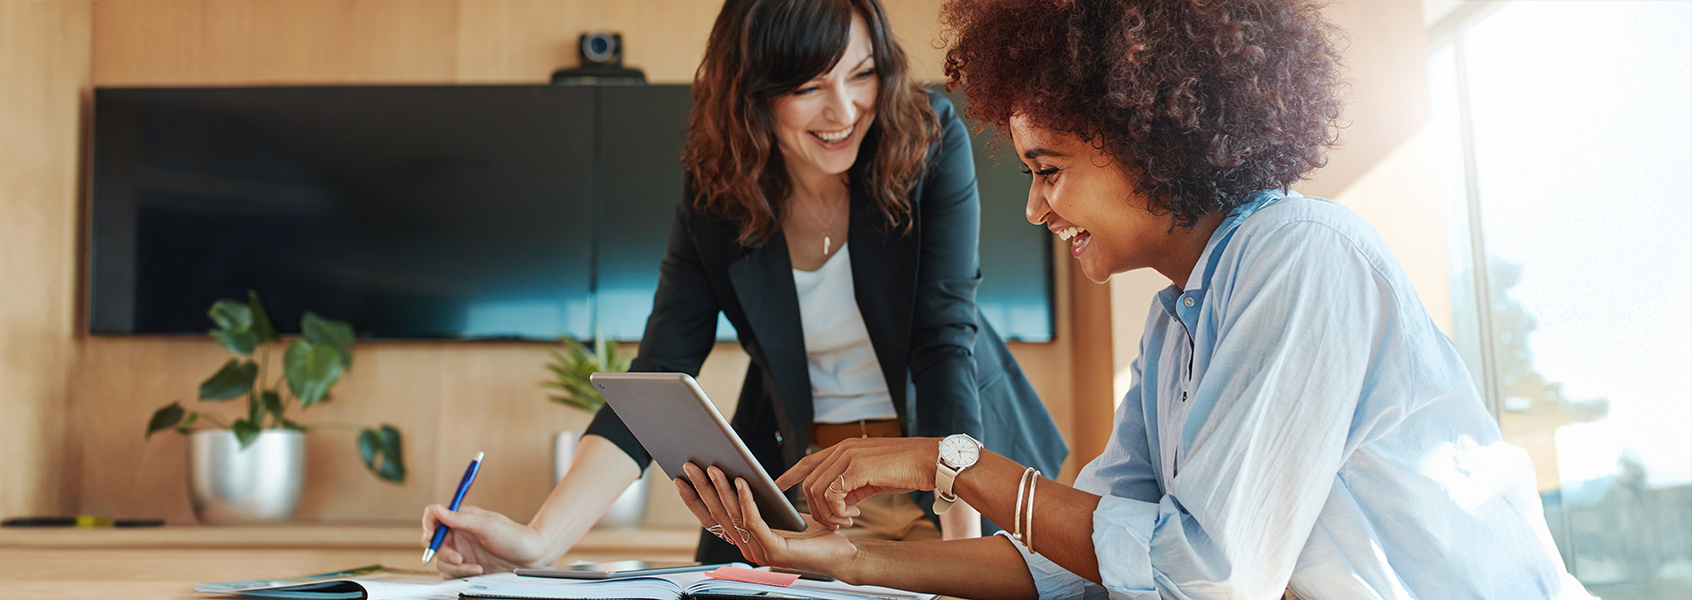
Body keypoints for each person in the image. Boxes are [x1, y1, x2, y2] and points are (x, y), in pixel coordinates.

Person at [673, 0, 1595, 598]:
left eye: (1049, 171)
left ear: (1148, 136)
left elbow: (1204, 575)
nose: (1035, 207)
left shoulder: (1300, 256)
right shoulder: (1177, 324)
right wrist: (843, 563)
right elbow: (1076, 562)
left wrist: (944, 461)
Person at [421, 0, 1068, 577]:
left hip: (949, 472)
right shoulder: (719, 193)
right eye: (809, 86)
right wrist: (537, 542)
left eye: (861, 73)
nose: (844, 110)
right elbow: (659, 373)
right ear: (753, 92)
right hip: (810, 492)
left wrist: (963, 549)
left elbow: (941, 342)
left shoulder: (926, 139)